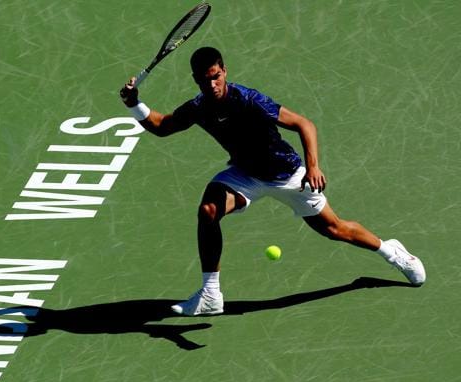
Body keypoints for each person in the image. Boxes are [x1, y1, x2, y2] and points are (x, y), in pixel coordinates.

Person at [119, 47, 425, 316]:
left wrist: (313, 167)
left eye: (216, 76)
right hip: (244, 176)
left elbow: (304, 123)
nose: (211, 85)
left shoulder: (250, 100)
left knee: (335, 229)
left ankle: (392, 252)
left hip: (288, 176)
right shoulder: (199, 108)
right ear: (196, 80)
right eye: (204, 80)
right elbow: (162, 126)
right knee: (209, 210)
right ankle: (210, 294)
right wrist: (135, 103)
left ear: (224, 71)